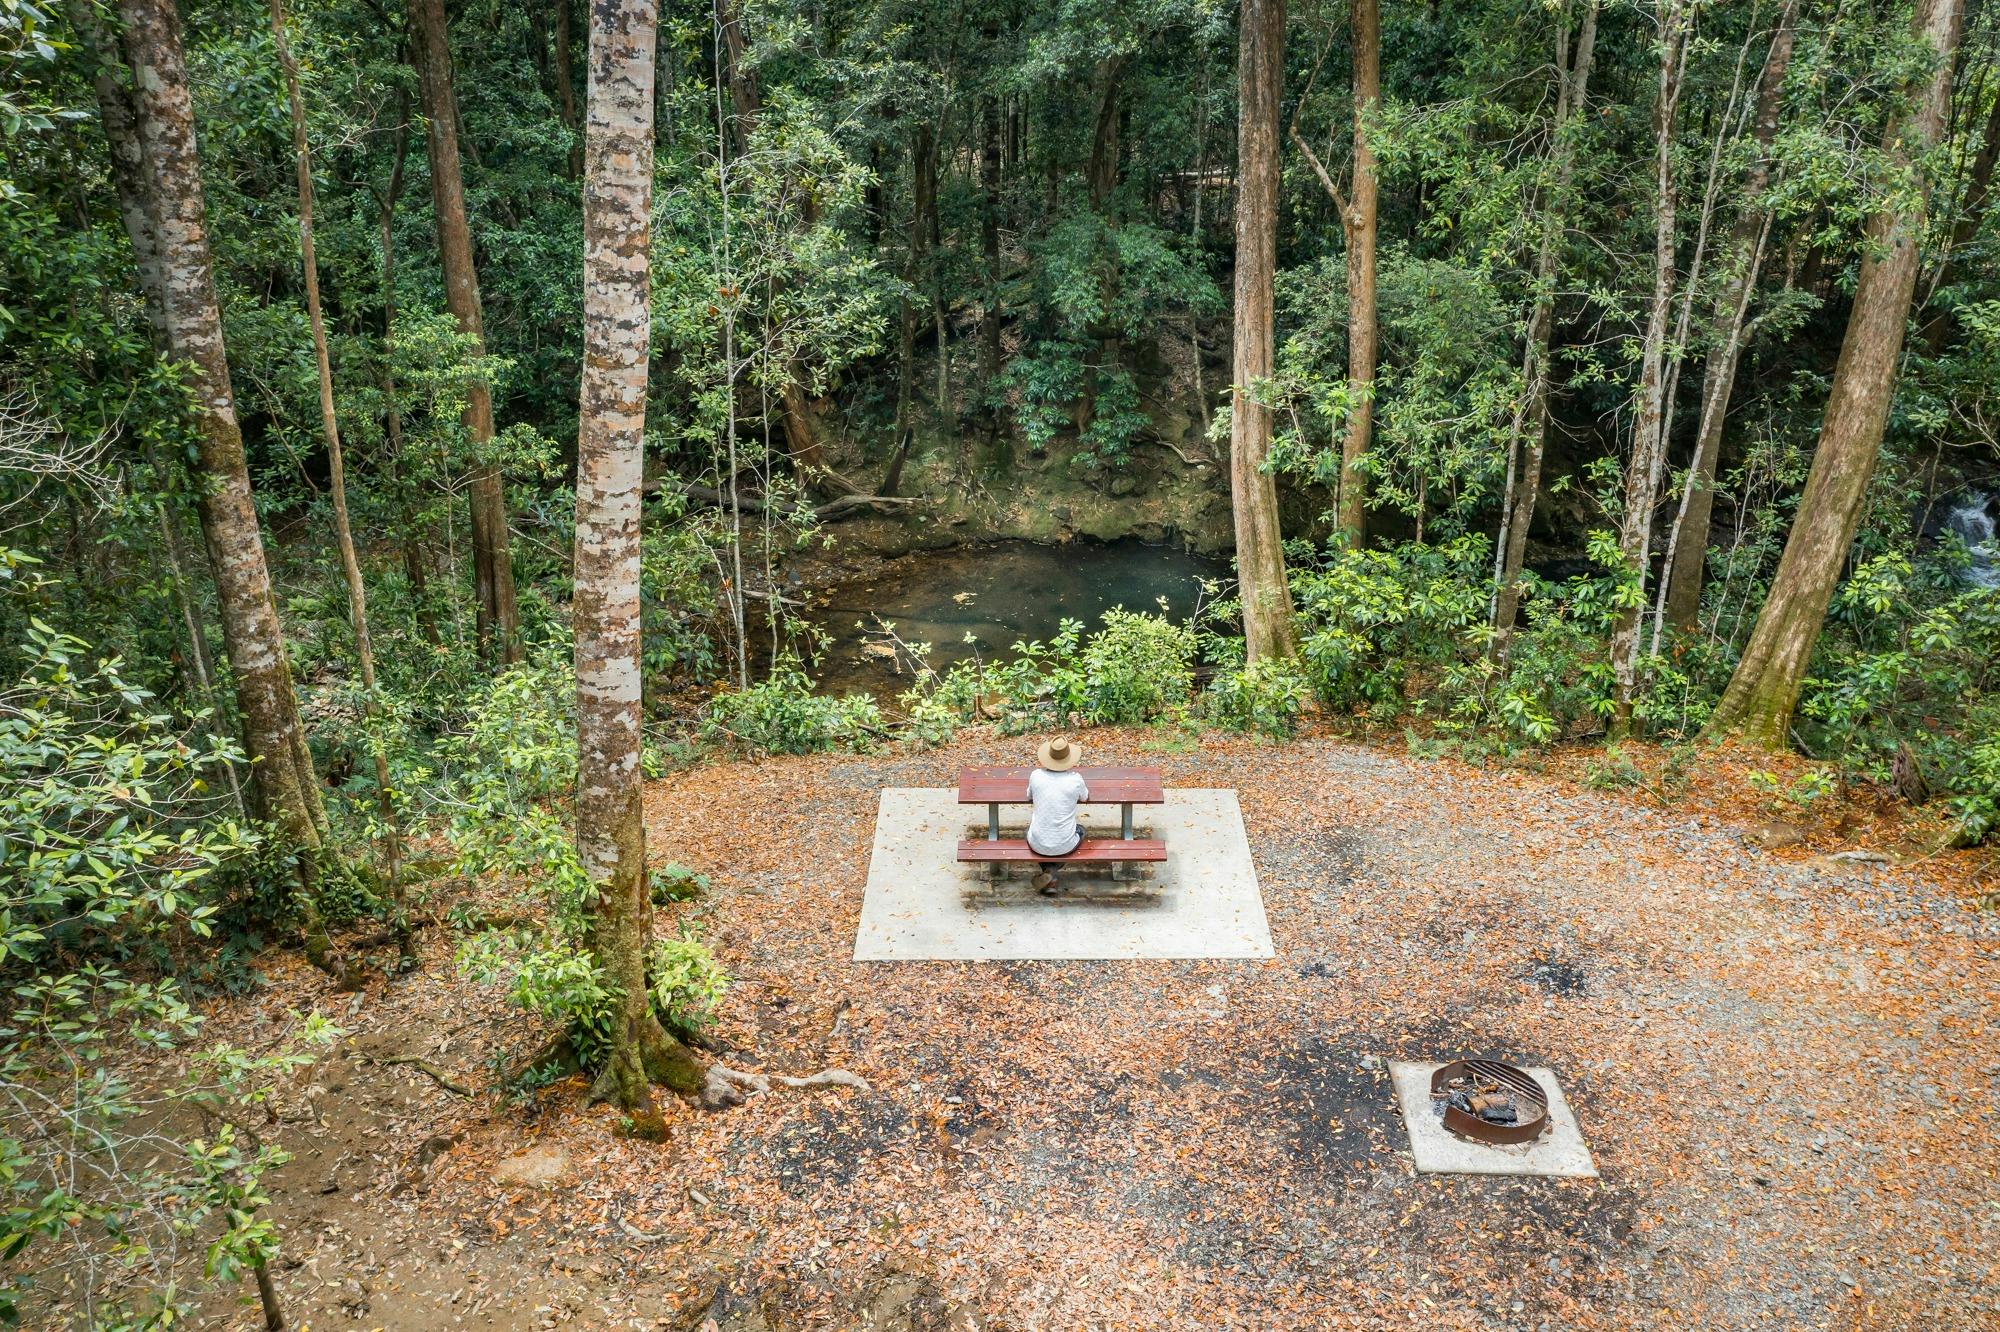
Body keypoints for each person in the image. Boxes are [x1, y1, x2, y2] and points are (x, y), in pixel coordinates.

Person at [1026, 735, 1089, 895]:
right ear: (1069, 758)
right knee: (1081, 830)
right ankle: (1052, 873)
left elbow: (1029, 795)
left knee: (1031, 832)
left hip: (1037, 842)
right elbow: (1085, 797)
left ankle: (1049, 873)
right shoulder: (1075, 779)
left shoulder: (1036, 776)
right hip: (1065, 843)